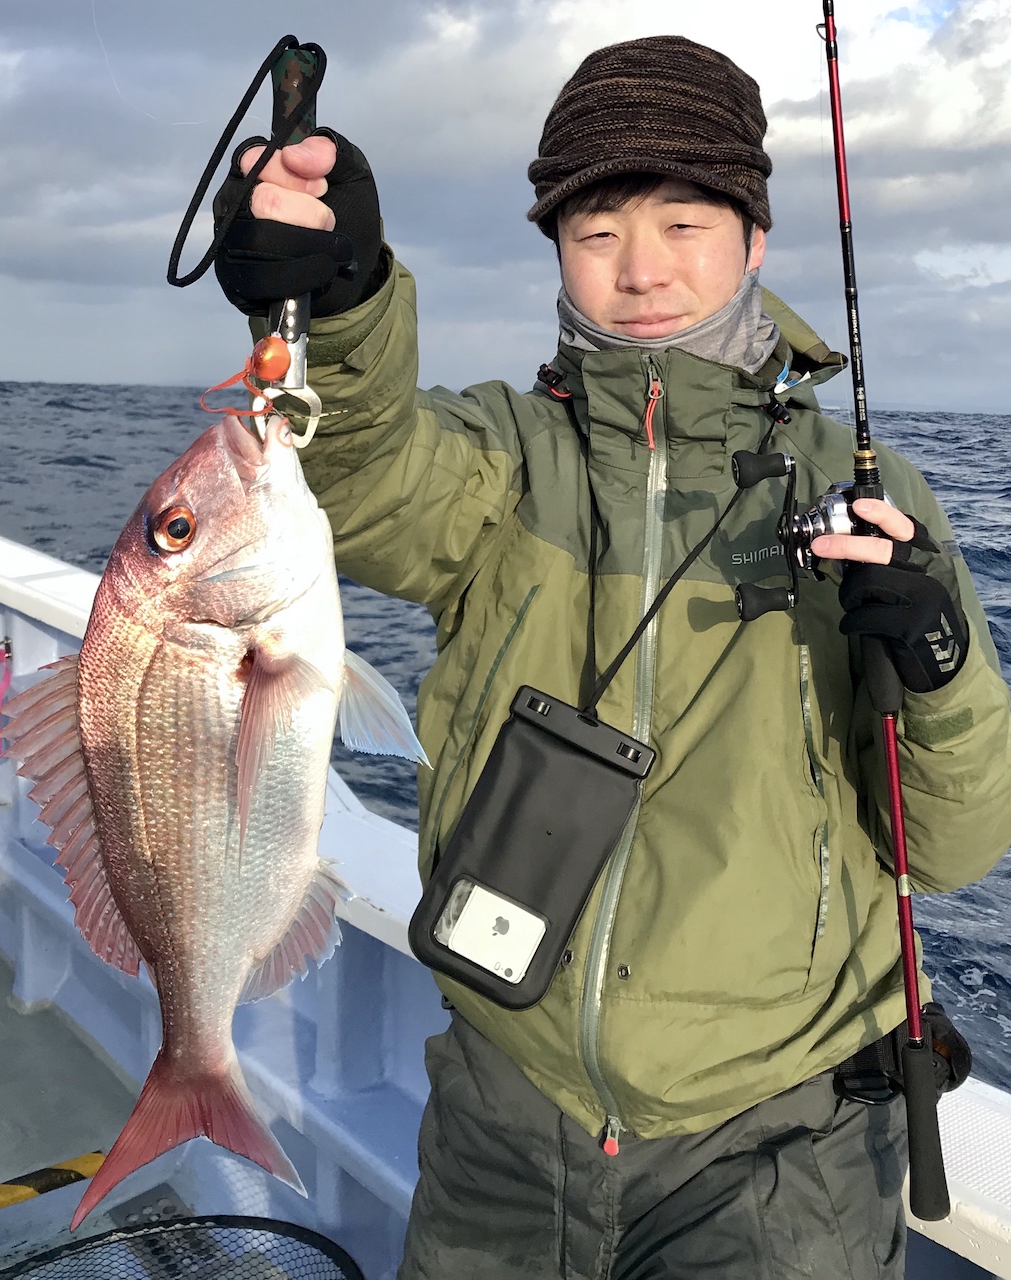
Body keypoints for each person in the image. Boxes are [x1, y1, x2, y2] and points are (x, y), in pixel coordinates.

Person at [214, 36, 1011, 1279]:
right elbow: (361, 476)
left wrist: (937, 665)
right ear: (555, 247)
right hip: (502, 1113)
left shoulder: (874, 498)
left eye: (684, 223)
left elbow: (953, 848)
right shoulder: (501, 456)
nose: (640, 269)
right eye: (595, 231)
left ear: (754, 238)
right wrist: (347, 298)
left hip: (777, 1146)